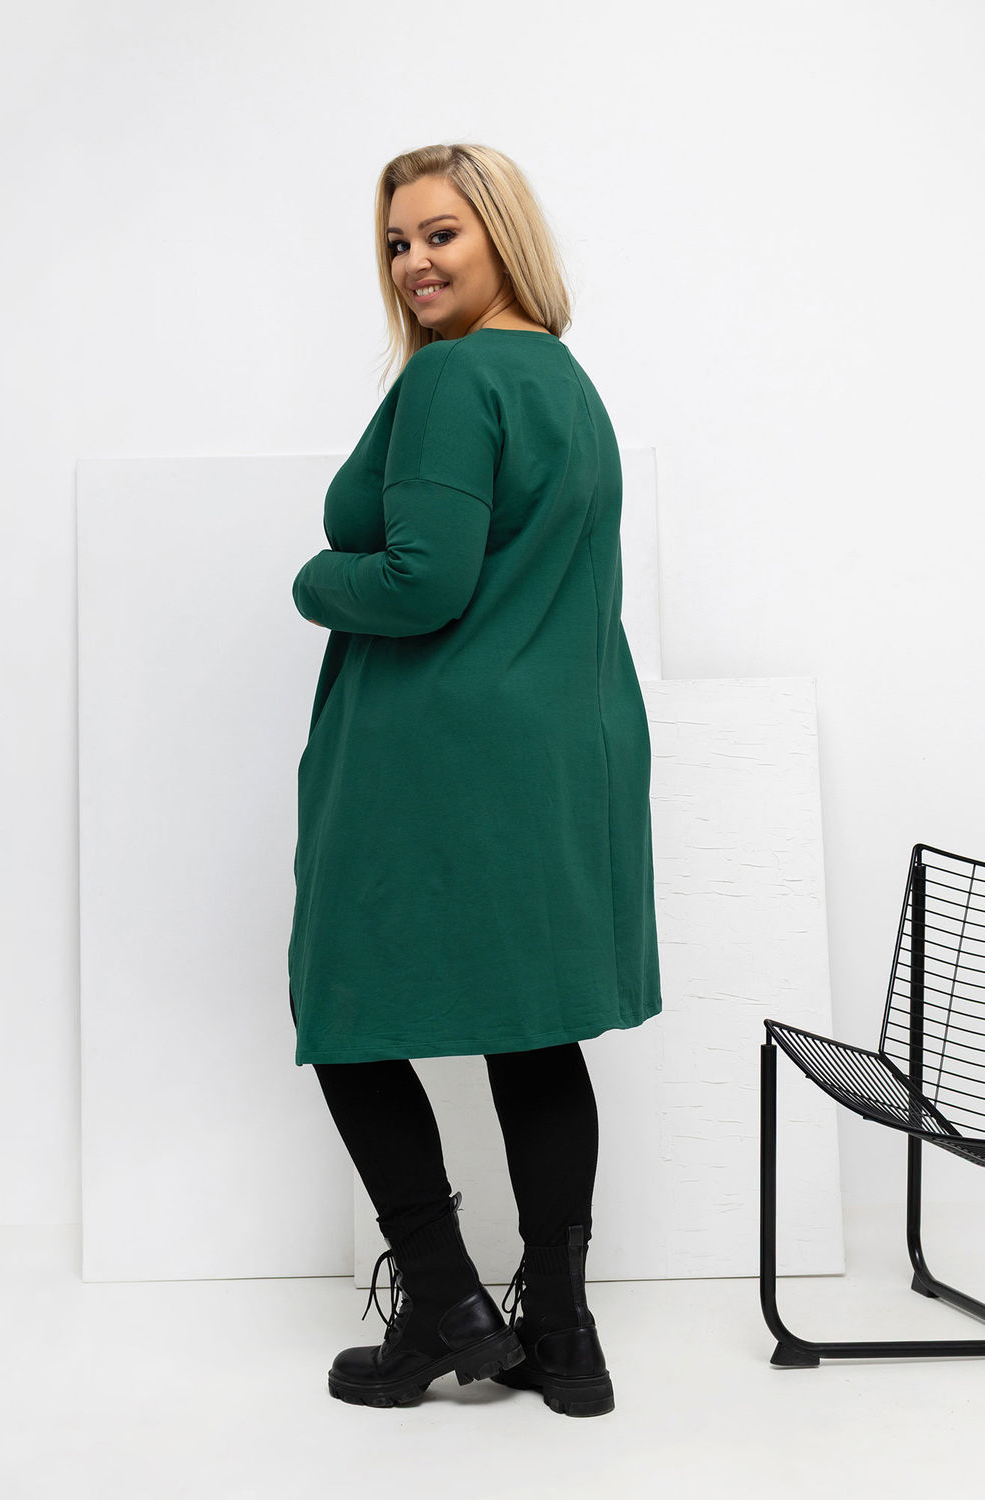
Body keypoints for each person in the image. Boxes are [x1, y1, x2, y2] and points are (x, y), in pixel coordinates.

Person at [287, 142, 662, 1418]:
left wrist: (312, 581)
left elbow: (422, 582)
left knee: (344, 1007)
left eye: (440, 233)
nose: (414, 263)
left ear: (502, 233)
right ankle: (561, 1332)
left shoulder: (453, 379)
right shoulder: (563, 379)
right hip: (562, 745)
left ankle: (445, 1305)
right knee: (533, 1023)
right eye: (397, 242)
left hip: (439, 755)